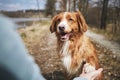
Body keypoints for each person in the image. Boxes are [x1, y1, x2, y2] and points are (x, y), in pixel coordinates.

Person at [0, 14, 103, 80]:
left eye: (70, 19)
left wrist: (90, 63)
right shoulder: (61, 44)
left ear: (79, 24)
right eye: (59, 21)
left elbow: (92, 58)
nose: (61, 25)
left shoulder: (86, 46)